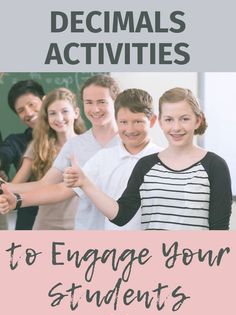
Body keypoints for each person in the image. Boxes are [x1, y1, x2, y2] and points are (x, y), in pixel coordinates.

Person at [61, 87, 232, 230]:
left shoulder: (215, 166)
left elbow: (219, 230)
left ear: (197, 120)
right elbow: (121, 215)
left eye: (184, 119)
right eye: (169, 119)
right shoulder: (146, 165)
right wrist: (85, 182)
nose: (176, 127)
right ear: (161, 123)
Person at [0, 74, 120, 227]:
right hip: (66, 226)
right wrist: (13, 196)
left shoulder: (127, 143)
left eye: (101, 102)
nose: (95, 109)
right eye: (89, 102)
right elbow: (54, 187)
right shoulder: (73, 146)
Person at [66, 88, 162, 229]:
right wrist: (80, 181)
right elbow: (67, 189)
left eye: (137, 122)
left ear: (152, 120)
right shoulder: (103, 157)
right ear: (116, 121)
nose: (130, 129)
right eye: (123, 122)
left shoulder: (164, 159)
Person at [11, 87, 86, 229]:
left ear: (76, 113)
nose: (59, 118)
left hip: (80, 225)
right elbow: (17, 184)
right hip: (45, 225)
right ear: (47, 117)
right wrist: (4, 187)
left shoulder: (89, 146)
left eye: (64, 111)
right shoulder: (37, 146)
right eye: (52, 113)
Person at [0, 80, 44, 229]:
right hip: (28, 220)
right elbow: (4, 154)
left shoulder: (69, 139)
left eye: (32, 104)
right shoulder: (15, 141)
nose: (29, 113)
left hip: (66, 219)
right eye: (21, 110)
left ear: (45, 101)